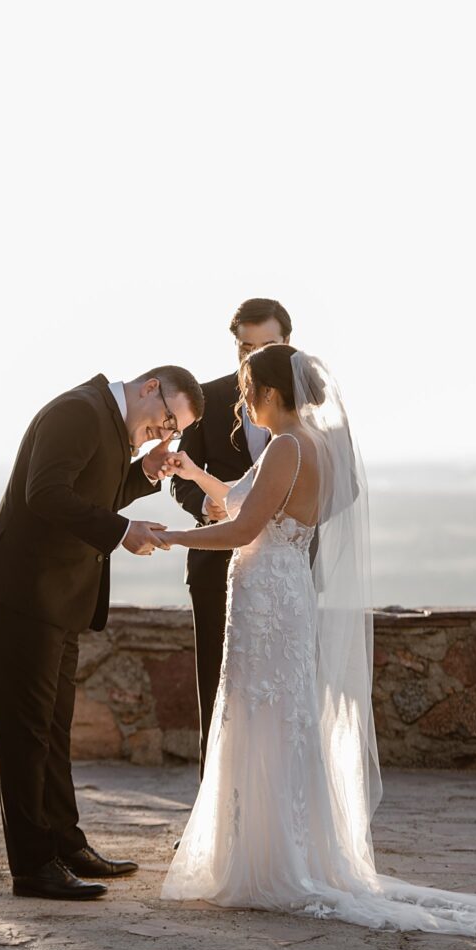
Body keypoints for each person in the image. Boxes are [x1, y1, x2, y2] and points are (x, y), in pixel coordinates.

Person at [157, 344, 476, 933]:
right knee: (279, 715)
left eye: (247, 390)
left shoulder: (285, 448)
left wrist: (171, 537)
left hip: (267, 596)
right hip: (285, 588)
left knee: (260, 713)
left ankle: (266, 860)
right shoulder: (311, 444)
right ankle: (283, 845)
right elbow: (245, 500)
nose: (242, 402)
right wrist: (192, 473)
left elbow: (242, 527)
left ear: (271, 392)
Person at [0, 367, 204, 901]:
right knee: (26, 736)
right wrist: (122, 532)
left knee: (53, 730)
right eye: (167, 420)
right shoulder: (79, 411)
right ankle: (33, 866)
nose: (165, 433)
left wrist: (144, 472)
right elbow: (45, 493)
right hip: (19, 593)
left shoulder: (112, 422)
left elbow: (95, 494)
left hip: (57, 599)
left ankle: (66, 846)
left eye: (175, 431)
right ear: (149, 388)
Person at [172, 297, 293, 778]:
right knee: (216, 688)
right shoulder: (206, 399)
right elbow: (182, 480)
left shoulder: (313, 409)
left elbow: (338, 488)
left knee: (283, 692)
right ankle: (215, 806)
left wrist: (283, 514)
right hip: (215, 569)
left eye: (267, 346)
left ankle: (280, 799)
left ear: (288, 343)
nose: (255, 357)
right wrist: (206, 506)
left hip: (285, 573)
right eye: (246, 348)